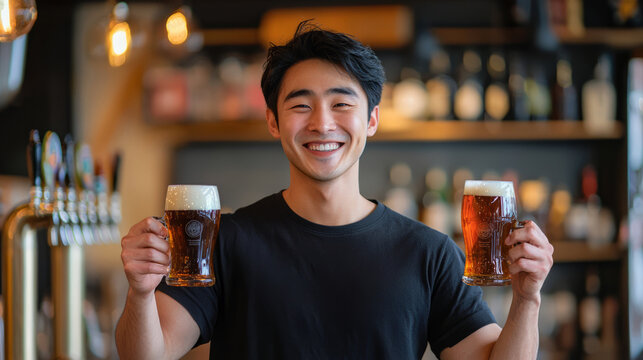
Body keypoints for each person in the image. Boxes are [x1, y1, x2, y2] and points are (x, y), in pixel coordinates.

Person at [116, 21, 554, 360]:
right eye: (300, 105)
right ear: (273, 121)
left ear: (371, 120)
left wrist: (527, 297)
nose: (322, 123)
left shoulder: (429, 253)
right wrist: (139, 291)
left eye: (342, 103)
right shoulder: (223, 242)